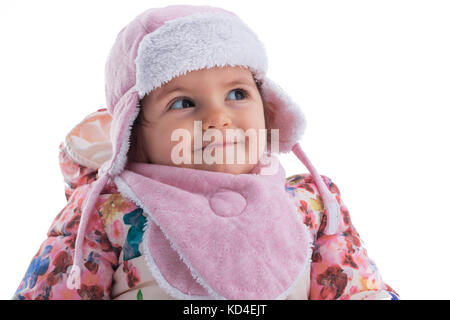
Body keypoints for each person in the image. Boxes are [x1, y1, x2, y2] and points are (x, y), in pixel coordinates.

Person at [12, 4, 399, 300]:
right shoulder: (104, 212)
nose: (218, 118)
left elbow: (360, 290)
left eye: (237, 94)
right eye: (182, 103)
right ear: (135, 135)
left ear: (267, 109)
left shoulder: (311, 204)